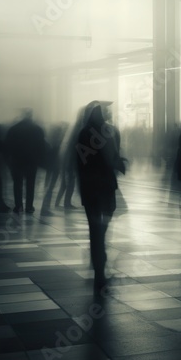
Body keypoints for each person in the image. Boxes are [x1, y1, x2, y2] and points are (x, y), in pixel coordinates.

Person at [75, 101, 125, 294]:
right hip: (104, 187)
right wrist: (116, 164)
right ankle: (99, 265)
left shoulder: (84, 133)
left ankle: (99, 264)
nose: (108, 113)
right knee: (101, 228)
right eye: (105, 111)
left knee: (95, 229)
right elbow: (112, 158)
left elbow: (81, 162)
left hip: (91, 189)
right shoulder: (108, 132)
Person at [5, 109, 45, 214]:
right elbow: (41, 146)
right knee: (30, 185)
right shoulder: (37, 129)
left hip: (17, 161)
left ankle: (18, 206)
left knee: (17, 184)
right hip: (31, 161)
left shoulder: (14, 129)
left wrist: (8, 161)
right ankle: (29, 206)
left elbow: (8, 146)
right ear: (31, 116)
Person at [39, 123, 68, 215]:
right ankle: (45, 208)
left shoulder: (49, 143)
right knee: (49, 187)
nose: (62, 134)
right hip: (53, 168)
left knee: (49, 187)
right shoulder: (55, 144)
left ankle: (45, 207)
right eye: (60, 132)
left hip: (52, 168)